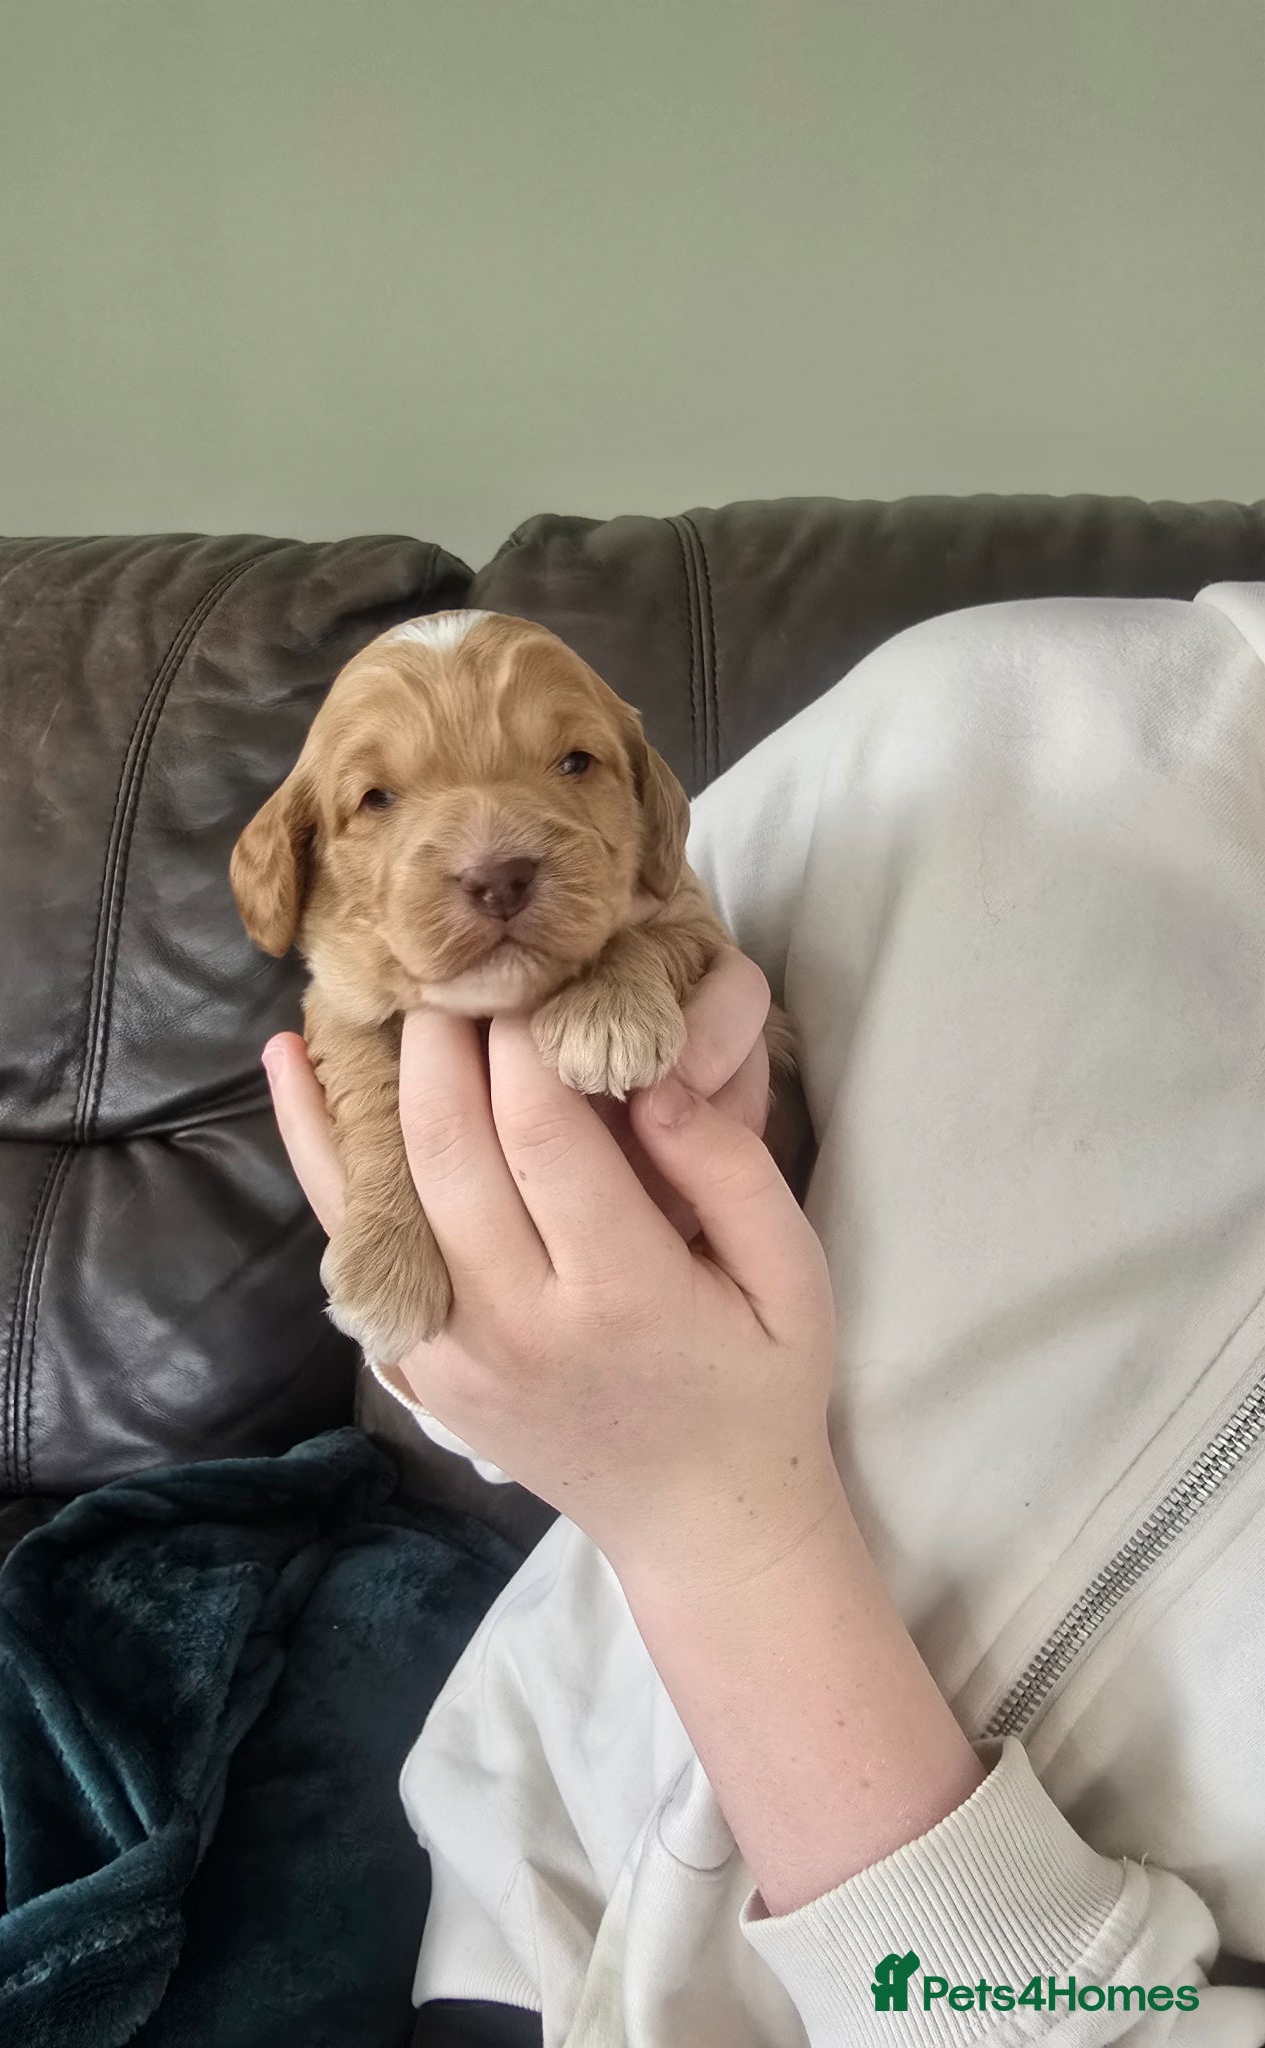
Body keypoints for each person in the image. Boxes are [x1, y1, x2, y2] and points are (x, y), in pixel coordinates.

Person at [263, 583, 1265, 2045]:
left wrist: (717, 1519)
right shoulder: (986, 710)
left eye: (567, 766)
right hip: (515, 1879)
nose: (491, 836)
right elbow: (540, 1339)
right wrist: (485, 1349)